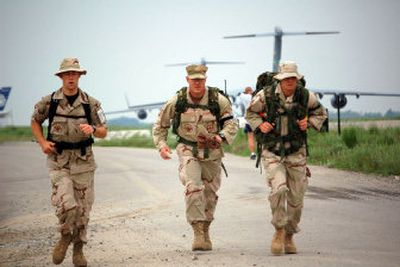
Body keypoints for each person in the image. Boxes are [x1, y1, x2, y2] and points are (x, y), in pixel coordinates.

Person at [152, 64, 238, 251]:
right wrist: (162, 145)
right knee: (194, 187)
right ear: (187, 80)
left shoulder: (218, 101)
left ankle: (206, 228)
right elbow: (160, 125)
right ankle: (198, 231)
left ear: (205, 80)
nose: (197, 83)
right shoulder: (177, 101)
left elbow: (231, 124)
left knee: (210, 194)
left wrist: (221, 136)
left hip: (212, 152)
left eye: (200, 79)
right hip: (188, 149)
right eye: (194, 80)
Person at [245, 61, 327, 255]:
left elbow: (321, 113)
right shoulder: (265, 96)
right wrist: (260, 125)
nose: (290, 81)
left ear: (297, 79)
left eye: (293, 78)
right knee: (279, 189)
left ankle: (289, 235)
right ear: (279, 80)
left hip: (296, 152)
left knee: (297, 199)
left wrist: (310, 122)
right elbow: (250, 113)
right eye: (286, 78)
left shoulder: (305, 96)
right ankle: (279, 230)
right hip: (272, 151)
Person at [31, 58, 108, 266]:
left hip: (84, 163)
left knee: (83, 211)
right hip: (59, 162)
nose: (71, 77)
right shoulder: (50, 102)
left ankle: (78, 250)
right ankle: (65, 235)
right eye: (67, 74)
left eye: (74, 73)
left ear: (80, 76)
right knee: (68, 205)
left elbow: (103, 131)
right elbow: (35, 120)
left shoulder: (91, 104)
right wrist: (42, 142)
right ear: (61, 77)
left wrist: (93, 129)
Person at [237, 86, 256, 159]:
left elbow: (239, 94)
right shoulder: (254, 96)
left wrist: (244, 92)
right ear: (251, 91)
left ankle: (253, 153)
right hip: (257, 119)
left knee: (250, 137)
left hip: (248, 120)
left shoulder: (243, 97)